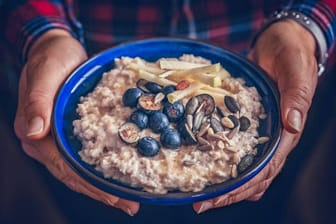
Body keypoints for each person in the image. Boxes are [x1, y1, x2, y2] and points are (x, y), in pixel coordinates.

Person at [1, 0, 335, 222]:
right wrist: (45, 34)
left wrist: (304, 25)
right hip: (79, 64)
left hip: (271, 70)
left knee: (262, 210)